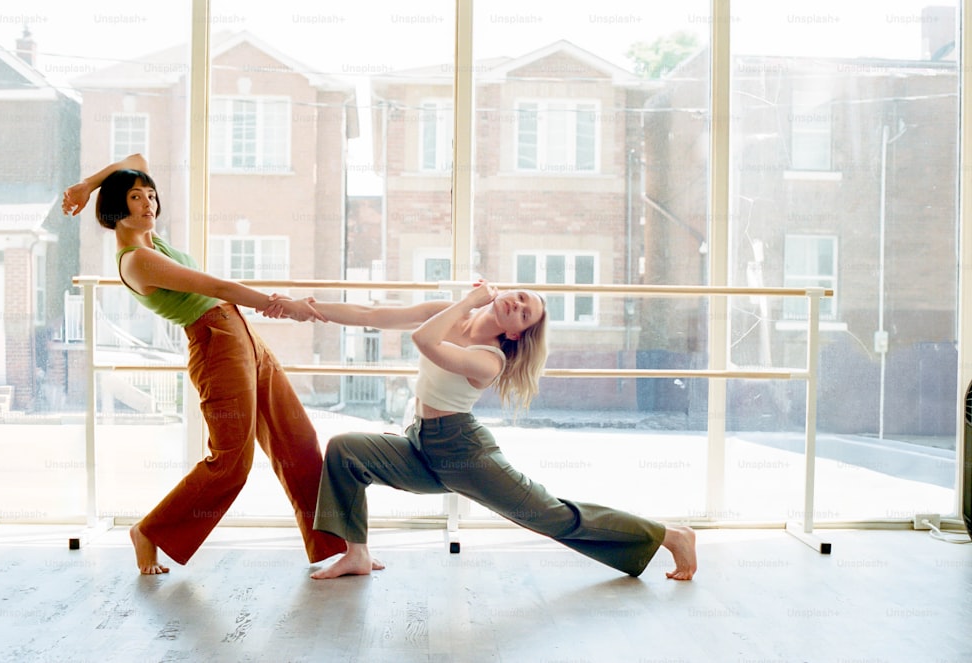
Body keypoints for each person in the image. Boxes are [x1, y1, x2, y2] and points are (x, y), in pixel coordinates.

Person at [263, 280, 697, 581]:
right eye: (521, 297)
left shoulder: (491, 359)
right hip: (421, 444)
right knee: (345, 451)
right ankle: (356, 553)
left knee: (550, 515)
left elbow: (424, 341)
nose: (520, 305)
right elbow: (370, 313)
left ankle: (670, 536)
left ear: (514, 332)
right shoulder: (447, 314)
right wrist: (308, 309)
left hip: (465, 454)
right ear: (506, 293)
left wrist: (468, 303)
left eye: (525, 314)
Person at [62, 154, 346, 574]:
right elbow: (211, 285)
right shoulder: (137, 260)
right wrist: (279, 306)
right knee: (232, 460)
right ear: (115, 210)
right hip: (216, 342)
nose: (149, 204)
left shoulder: (150, 241)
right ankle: (149, 532)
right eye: (136, 197)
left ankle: (335, 550)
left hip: (241, 334)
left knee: (299, 442)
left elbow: (138, 159)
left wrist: (87, 183)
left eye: (152, 195)